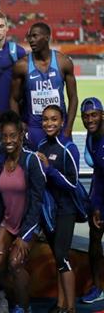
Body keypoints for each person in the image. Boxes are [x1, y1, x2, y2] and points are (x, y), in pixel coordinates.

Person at [0, 111, 46, 313]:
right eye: (4, 136)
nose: (8, 140)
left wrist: (25, 235)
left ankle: (23, 307)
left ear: (21, 136)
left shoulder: (31, 161)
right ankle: (16, 298)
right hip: (8, 222)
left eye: (13, 136)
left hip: (29, 224)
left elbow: (37, 202)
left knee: (14, 263)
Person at [37, 105, 82, 313]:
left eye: (54, 119)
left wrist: (49, 169)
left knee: (62, 256)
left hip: (65, 210)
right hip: (49, 211)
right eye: (45, 119)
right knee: (58, 257)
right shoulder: (41, 145)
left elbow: (73, 184)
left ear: (62, 121)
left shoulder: (69, 148)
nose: (49, 123)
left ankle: (71, 308)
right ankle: (60, 304)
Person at [9, 22, 78, 150]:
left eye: (35, 36)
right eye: (29, 37)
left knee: (62, 161)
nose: (30, 40)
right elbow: (13, 99)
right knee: (35, 162)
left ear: (47, 37)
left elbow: (73, 97)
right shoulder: (21, 66)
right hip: (34, 128)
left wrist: (68, 128)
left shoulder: (64, 62)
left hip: (60, 128)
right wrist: (19, 124)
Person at [80, 97, 104, 304]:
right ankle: (98, 287)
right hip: (100, 190)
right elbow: (98, 173)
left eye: (94, 115)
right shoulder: (91, 136)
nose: (90, 120)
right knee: (94, 240)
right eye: (86, 116)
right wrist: (95, 205)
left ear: (102, 115)